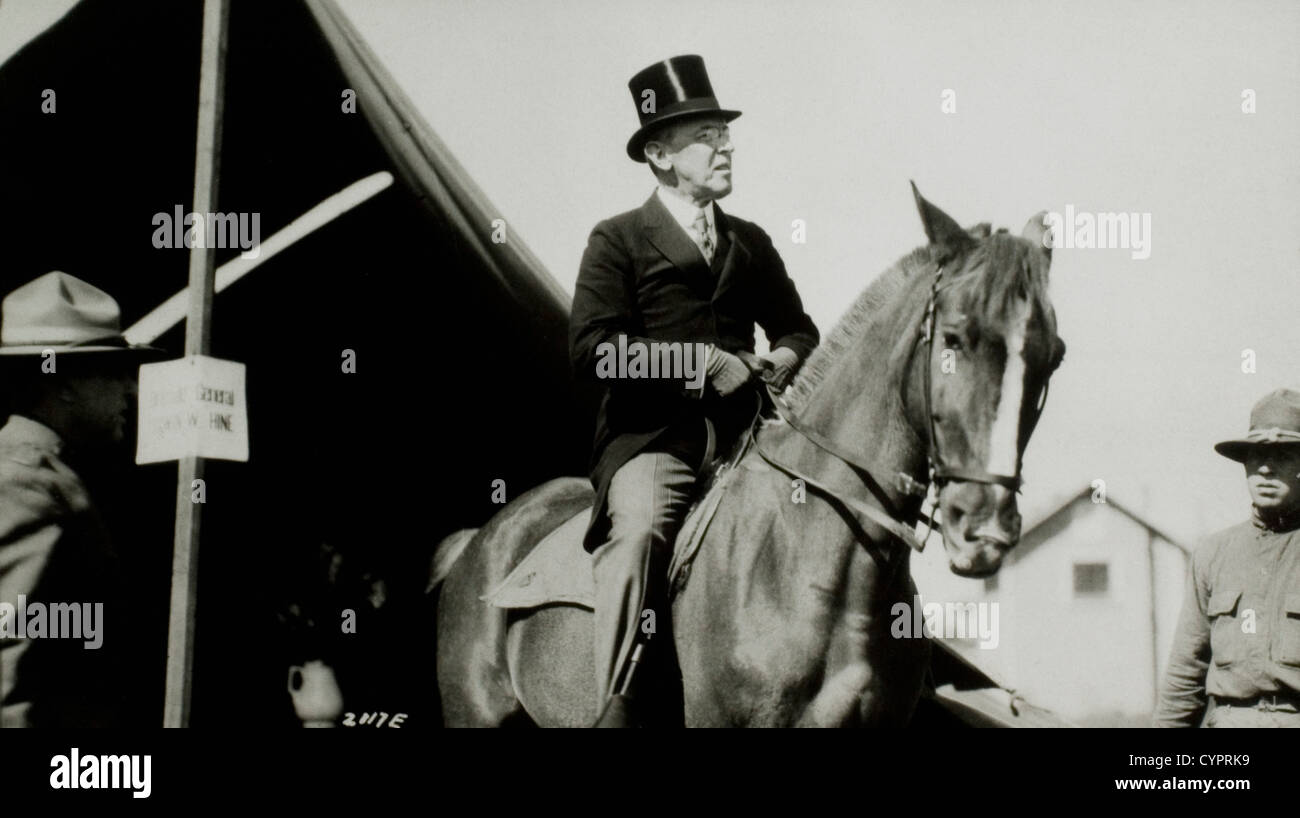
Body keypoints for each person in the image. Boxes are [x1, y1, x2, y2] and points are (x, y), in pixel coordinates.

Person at [570, 55, 820, 727]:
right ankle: (617, 700)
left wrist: (783, 359)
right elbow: (594, 353)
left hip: (747, 442)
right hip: (656, 442)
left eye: (724, 132)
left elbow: (798, 326)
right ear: (659, 152)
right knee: (643, 533)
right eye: (707, 134)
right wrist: (702, 363)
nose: (726, 145)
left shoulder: (752, 242)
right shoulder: (617, 239)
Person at [0, 271, 162, 727]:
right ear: (62, 384)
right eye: (114, 373)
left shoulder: (37, 471)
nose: (131, 389)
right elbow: (9, 667)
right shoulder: (26, 483)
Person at [1155, 387, 1300, 727]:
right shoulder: (1215, 552)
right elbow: (1186, 672)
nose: (1265, 469)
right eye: (1255, 456)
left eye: (1283, 455)